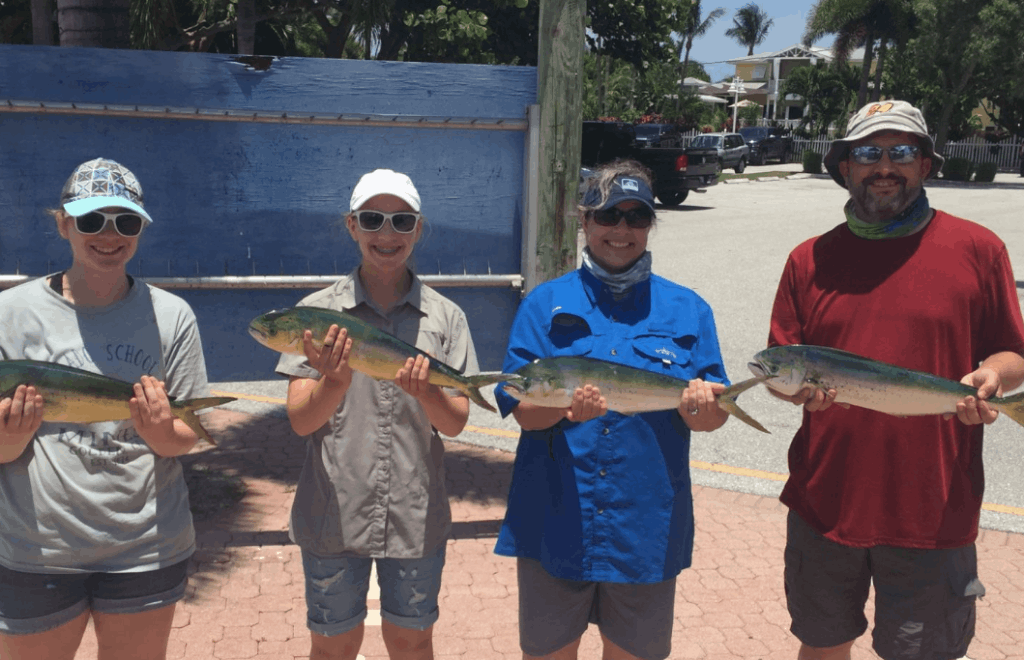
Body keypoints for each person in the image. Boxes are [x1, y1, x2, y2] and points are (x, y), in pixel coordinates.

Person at [767, 100, 1024, 660]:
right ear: (845, 167)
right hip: (824, 502)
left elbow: (1012, 351)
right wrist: (796, 393)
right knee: (822, 646)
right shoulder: (808, 260)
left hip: (934, 505)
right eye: (868, 153)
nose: (884, 166)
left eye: (901, 152)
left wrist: (993, 376)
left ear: (925, 164)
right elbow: (778, 371)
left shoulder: (979, 249)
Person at [493, 159, 733, 660]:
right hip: (553, 519)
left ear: (650, 224)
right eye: (607, 215)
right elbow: (522, 410)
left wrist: (698, 409)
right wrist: (563, 410)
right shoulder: (543, 304)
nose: (621, 230)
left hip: (644, 527)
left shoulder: (689, 309)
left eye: (636, 216)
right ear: (584, 221)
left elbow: (714, 415)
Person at [0, 158, 215, 660]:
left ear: (141, 228)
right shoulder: (9, 313)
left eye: (126, 221)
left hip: (146, 547)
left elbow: (183, 439)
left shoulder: (172, 315)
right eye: (92, 219)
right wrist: (10, 437)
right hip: (37, 551)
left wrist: (161, 431)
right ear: (63, 224)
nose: (109, 235)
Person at [275, 169, 482, 660]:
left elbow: (455, 422)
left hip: (414, 515)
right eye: (372, 219)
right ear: (352, 225)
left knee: (412, 643)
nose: (387, 233)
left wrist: (429, 394)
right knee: (332, 645)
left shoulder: (446, 317)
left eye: (401, 221)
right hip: (333, 512)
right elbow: (301, 420)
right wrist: (333, 382)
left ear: (418, 228)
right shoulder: (316, 314)